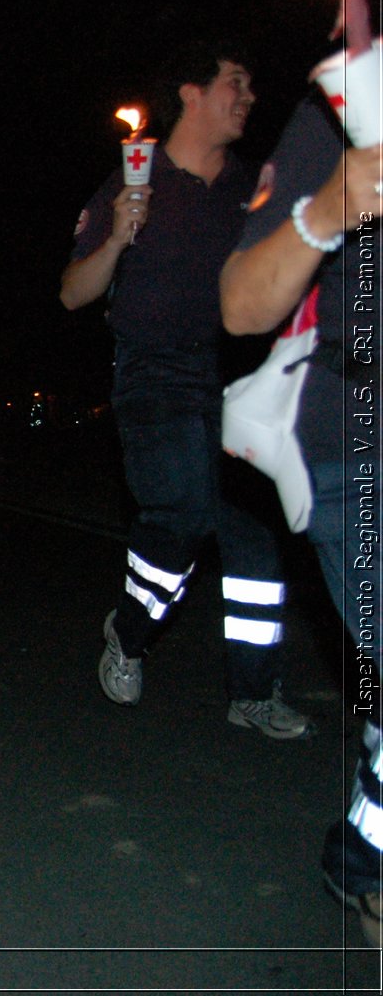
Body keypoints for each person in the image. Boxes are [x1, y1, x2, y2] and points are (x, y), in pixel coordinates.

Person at [60, 41, 310, 738]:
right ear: (191, 94)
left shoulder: (250, 184)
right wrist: (115, 239)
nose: (249, 95)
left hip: (234, 376)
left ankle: (254, 693)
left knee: (257, 539)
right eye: (235, 81)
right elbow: (74, 295)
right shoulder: (133, 179)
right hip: (152, 372)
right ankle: (131, 632)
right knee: (184, 516)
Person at [220, 89, 383, 944]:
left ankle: (364, 852)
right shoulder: (346, 108)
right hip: (358, 444)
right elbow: (241, 303)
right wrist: (329, 208)